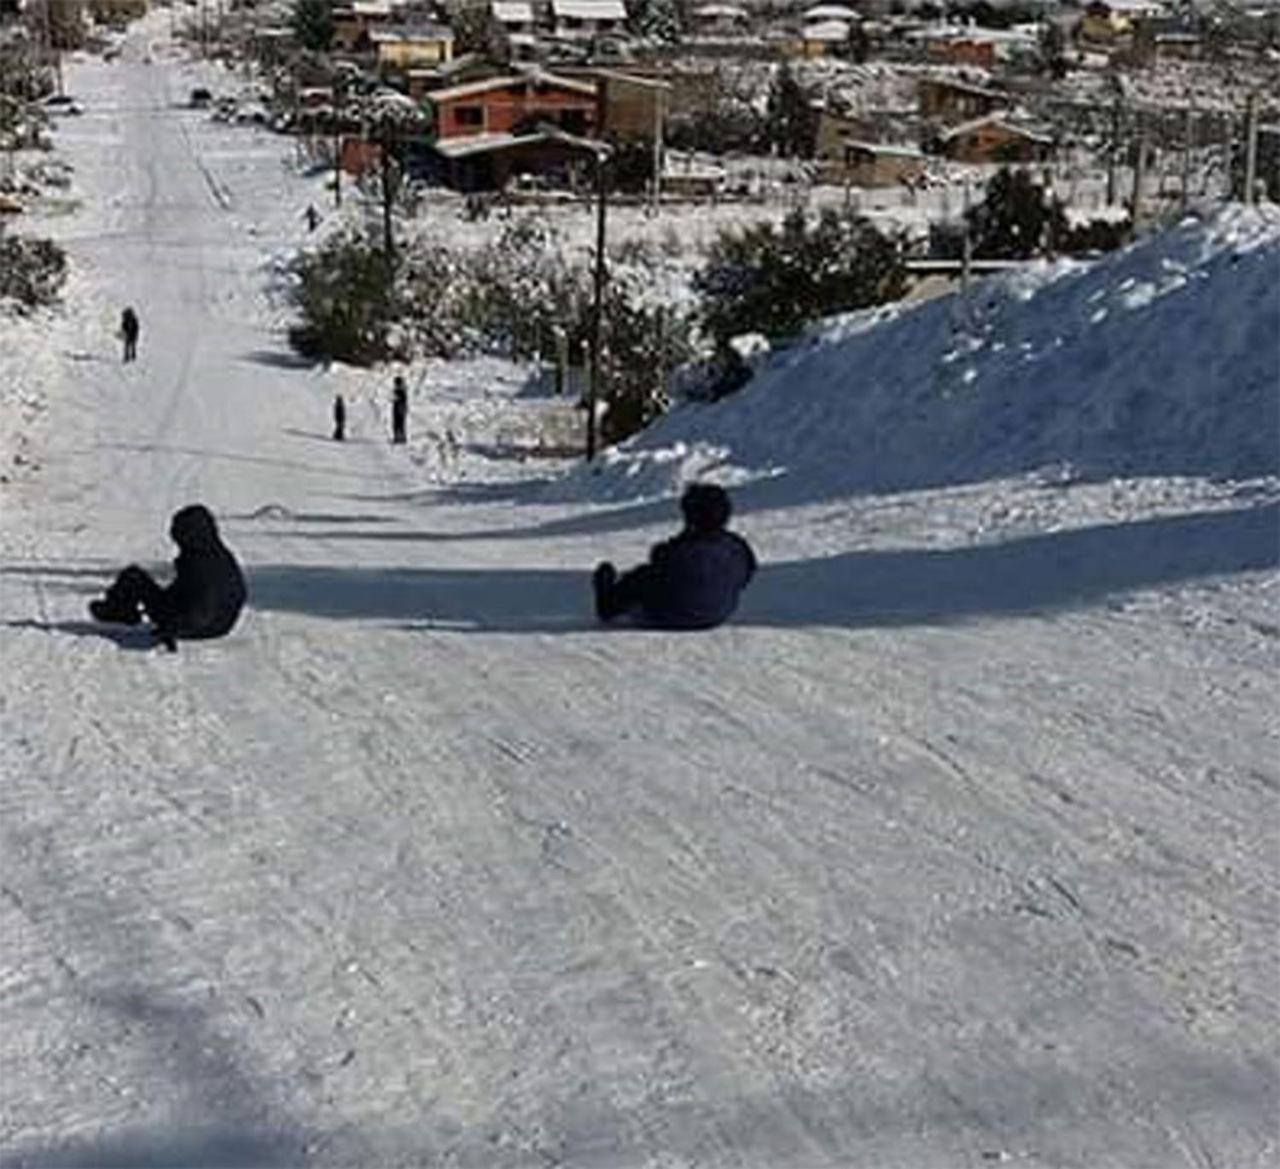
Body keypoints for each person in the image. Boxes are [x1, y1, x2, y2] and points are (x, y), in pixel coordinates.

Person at [592, 483, 756, 631]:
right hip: (718, 614)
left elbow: (659, 562)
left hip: (668, 616)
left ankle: (608, 603)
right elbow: (747, 574)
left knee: (643, 576)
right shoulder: (737, 547)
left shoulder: (675, 552)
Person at [88, 504, 247, 651]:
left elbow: (203, 606)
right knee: (173, 593)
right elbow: (238, 592)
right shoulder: (220, 554)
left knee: (133, 576)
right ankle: (126, 611)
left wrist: (171, 629)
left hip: (195, 626)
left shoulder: (197, 563)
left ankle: (118, 612)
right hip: (223, 626)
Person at [391, 375, 408, 444]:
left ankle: (400, 438)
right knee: (399, 423)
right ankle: (400, 437)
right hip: (400, 408)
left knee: (398, 423)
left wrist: (396, 399)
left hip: (399, 408)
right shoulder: (400, 390)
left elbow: (401, 399)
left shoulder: (400, 390)